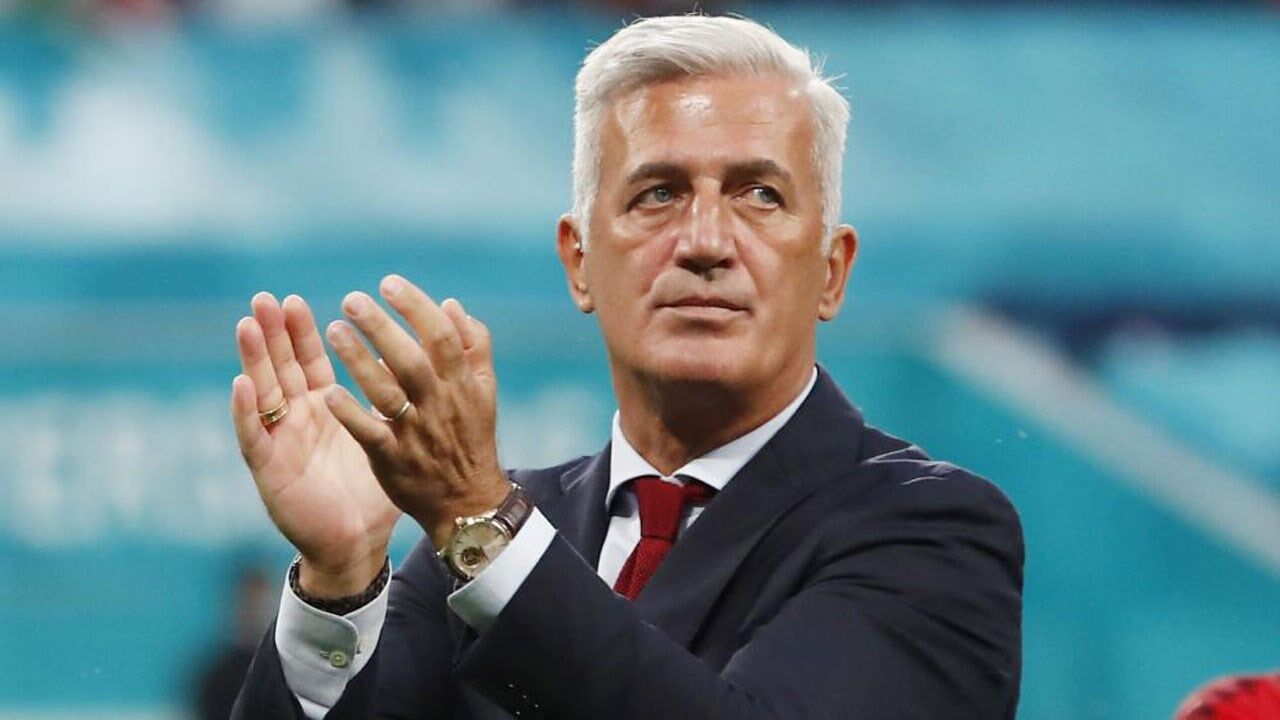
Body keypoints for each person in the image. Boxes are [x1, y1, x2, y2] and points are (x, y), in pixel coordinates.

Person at [228, 15, 1023, 719]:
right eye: (658, 194)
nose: (705, 241)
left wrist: (481, 524)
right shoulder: (481, 544)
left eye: (758, 195)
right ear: (579, 262)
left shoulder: (933, 534)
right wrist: (340, 576)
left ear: (832, 271)